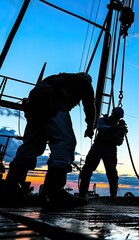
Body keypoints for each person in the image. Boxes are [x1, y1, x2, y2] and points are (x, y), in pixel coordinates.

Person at [3, 72, 95, 209]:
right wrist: (90, 126)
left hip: (34, 102)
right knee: (65, 142)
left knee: (32, 145)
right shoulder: (85, 83)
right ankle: (53, 193)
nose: (76, 104)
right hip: (53, 100)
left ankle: (9, 190)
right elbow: (90, 106)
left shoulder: (60, 78)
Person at [78, 106, 127, 199]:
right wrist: (115, 128)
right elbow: (100, 128)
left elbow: (119, 143)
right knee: (87, 170)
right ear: (112, 113)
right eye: (115, 116)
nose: (116, 118)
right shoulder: (102, 120)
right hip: (98, 146)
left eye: (118, 117)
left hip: (110, 149)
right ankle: (82, 194)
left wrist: (121, 133)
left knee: (112, 172)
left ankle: (113, 195)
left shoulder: (119, 127)